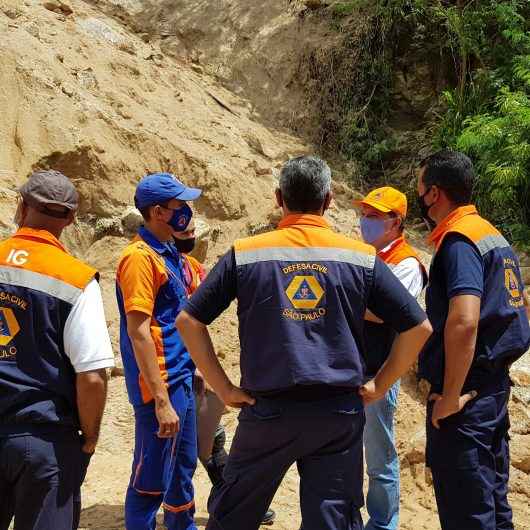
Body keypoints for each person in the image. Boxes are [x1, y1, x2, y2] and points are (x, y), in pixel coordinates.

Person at [176, 155, 432, 530]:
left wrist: (224, 387)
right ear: (329, 200)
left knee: (233, 517)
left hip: (267, 413)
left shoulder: (247, 252)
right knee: (332, 520)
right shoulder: (360, 258)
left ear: (279, 198)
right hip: (337, 415)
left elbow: (188, 320)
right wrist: (380, 384)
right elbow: (419, 327)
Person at [416, 150, 530, 530]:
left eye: (420, 185)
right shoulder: (492, 235)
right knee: (494, 508)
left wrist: (451, 396)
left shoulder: (459, 242)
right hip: (491, 390)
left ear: (434, 193)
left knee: (469, 512)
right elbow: (519, 306)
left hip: (465, 403)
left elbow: (464, 321)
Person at [0, 170, 114, 530]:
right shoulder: (74, 279)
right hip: (43, 440)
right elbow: (92, 375)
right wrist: (91, 434)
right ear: (70, 219)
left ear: (21, 207)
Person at [172, 223, 277, 526]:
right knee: (185, 444)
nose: (192, 235)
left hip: (190, 364)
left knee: (209, 434)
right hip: (170, 368)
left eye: (194, 229)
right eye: (185, 230)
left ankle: (229, 497)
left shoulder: (191, 268)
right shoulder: (150, 262)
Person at [116, 173, 202, 530]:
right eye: (179, 205)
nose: (186, 210)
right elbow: (139, 332)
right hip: (160, 387)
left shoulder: (170, 254)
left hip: (181, 379)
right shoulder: (139, 259)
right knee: (151, 479)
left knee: (183, 467)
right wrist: (161, 400)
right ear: (158, 212)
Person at [354, 187, 427, 530]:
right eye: (364, 214)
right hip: (353, 367)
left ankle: (383, 523)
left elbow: (385, 313)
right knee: (347, 451)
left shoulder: (407, 263)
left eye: (374, 216)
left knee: (379, 456)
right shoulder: (365, 255)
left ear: (396, 222)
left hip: (380, 373)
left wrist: (342, 299)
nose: (365, 221)